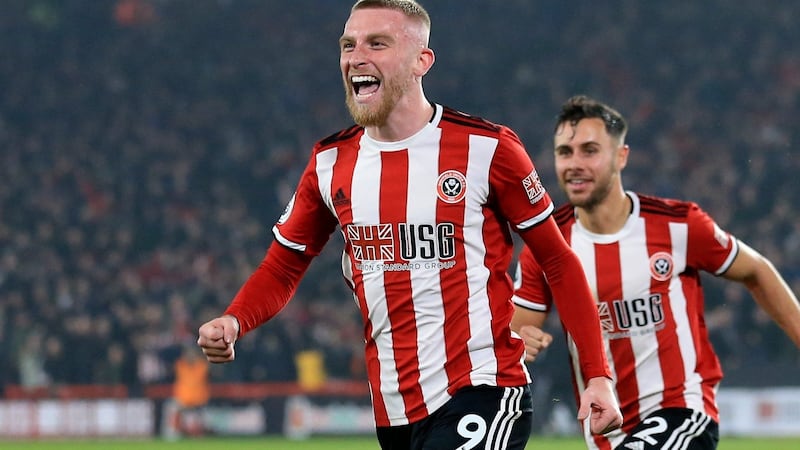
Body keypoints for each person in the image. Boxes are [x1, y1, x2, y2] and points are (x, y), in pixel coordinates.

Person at [197, 2, 621, 448]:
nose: (356, 57)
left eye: (377, 43)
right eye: (348, 45)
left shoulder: (486, 149)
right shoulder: (329, 163)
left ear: (422, 60)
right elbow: (283, 267)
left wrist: (596, 375)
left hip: (484, 391)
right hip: (394, 411)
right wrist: (235, 318)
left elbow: (557, 261)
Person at [511, 95, 800, 450]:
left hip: (682, 411)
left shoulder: (678, 225)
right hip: (607, 432)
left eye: (589, 150)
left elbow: (756, 270)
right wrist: (519, 340)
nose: (575, 164)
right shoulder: (547, 245)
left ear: (621, 156)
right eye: (565, 152)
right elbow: (519, 333)